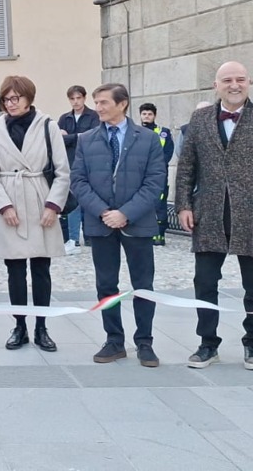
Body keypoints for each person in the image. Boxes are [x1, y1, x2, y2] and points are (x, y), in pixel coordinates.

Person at [175, 62, 253, 371]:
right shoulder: (200, 118)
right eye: (227, 80)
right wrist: (183, 206)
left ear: (249, 82)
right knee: (204, 282)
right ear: (216, 85)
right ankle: (207, 343)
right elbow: (186, 166)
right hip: (210, 213)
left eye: (240, 79)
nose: (234, 84)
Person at [69, 84, 167, 367]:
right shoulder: (86, 140)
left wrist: (125, 213)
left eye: (103, 103)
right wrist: (103, 211)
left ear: (122, 104)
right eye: (96, 103)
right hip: (100, 225)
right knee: (106, 284)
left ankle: (145, 342)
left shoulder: (147, 139)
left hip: (137, 223)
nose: (97, 108)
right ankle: (114, 340)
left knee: (143, 284)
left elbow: (154, 182)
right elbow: (79, 181)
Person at [0, 76, 69, 353]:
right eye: (6, 99)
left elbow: (62, 170)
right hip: (10, 201)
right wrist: (4, 206)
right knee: (15, 271)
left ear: (28, 98)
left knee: (41, 269)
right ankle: (19, 325)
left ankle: (42, 326)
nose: (11, 103)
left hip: (39, 197)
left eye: (15, 98)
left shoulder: (48, 126)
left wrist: (53, 205)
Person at [57, 85, 97, 254]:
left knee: (89, 201)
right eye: (72, 99)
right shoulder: (64, 118)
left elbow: (92, 137)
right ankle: (73, 239)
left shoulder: (93, 116)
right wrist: (78, 136)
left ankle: (91, 236)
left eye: (78, 98)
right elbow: (58, 140)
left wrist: (70, 137)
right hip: (70, 163)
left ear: (84, 98)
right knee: (73, 202)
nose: (75, 101)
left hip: (90, 164)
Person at [137, 102, 175, 247]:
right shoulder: (134, 131)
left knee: (159, 203)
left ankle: (159, 234)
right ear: (140, 115)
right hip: (140, 173)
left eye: (150, 114)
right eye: (144, 114)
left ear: (154, 115)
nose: (147, 116)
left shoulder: (162, 132)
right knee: (141, 202)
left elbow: (168, 152)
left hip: (158, 174)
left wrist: (156, 166)